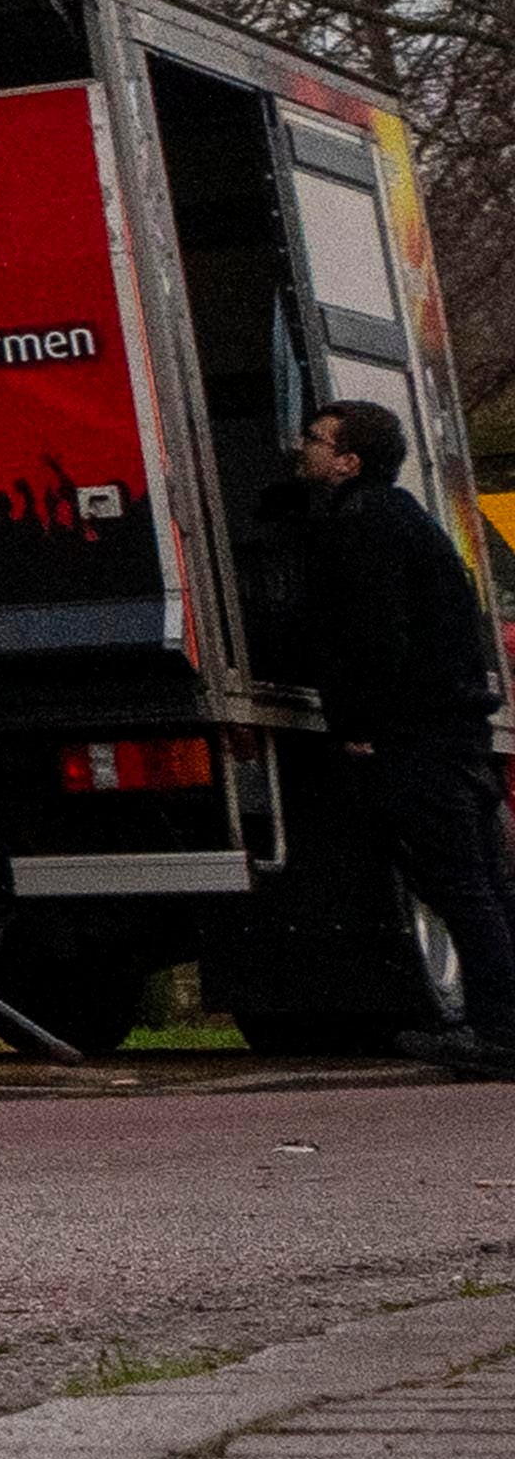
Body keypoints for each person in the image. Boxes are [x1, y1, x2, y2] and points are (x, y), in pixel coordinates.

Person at [268, 402, 511, 1073]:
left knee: (460, 882)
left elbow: (375, 640)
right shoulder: (400, 518)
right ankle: (500, 1023)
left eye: (316, 441)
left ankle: (500, 1034)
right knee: (481, 881)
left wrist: (360, 727)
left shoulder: (365, 525)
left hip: (420, 736)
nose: (303, 449)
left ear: (349, 460)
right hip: (450, 729)